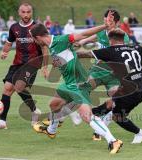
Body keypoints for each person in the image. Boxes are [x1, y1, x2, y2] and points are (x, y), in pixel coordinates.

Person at [30, 12, 123, 154]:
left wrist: (104, 26)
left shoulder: (61, 40)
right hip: (69, 84)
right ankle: (51, 130)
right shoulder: (50, 46)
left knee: (87, 117)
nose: (34, 42)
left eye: (33, 39)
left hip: (79, 85)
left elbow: (83, 34)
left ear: (38, 37)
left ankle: (113, 141)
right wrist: (50, 65)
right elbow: (54, 54)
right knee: (54, 104)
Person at [77, 28, 142, 143]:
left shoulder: (110, 50)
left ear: (111, 40)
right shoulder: (135, 48)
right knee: (110, 103)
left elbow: (86, 54)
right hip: (138, 91)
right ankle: (92, 117)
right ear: (123, 39)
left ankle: (139, 133)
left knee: (117, 117)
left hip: (129, 93)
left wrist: (69, 54)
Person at [0, 3, 49, 129]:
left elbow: (44, 47)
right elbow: (9, 42)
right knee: (7, 88)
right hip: (17, 63)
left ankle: (34, 111)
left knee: (19, 87)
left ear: (31, 12)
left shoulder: (37, 27)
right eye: (23, 12)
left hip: (33, 63)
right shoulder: (14, 27)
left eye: (28, 12)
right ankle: (2, 122)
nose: (26, 14)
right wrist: (4, 51)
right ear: (19, 12)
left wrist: (45, 66)